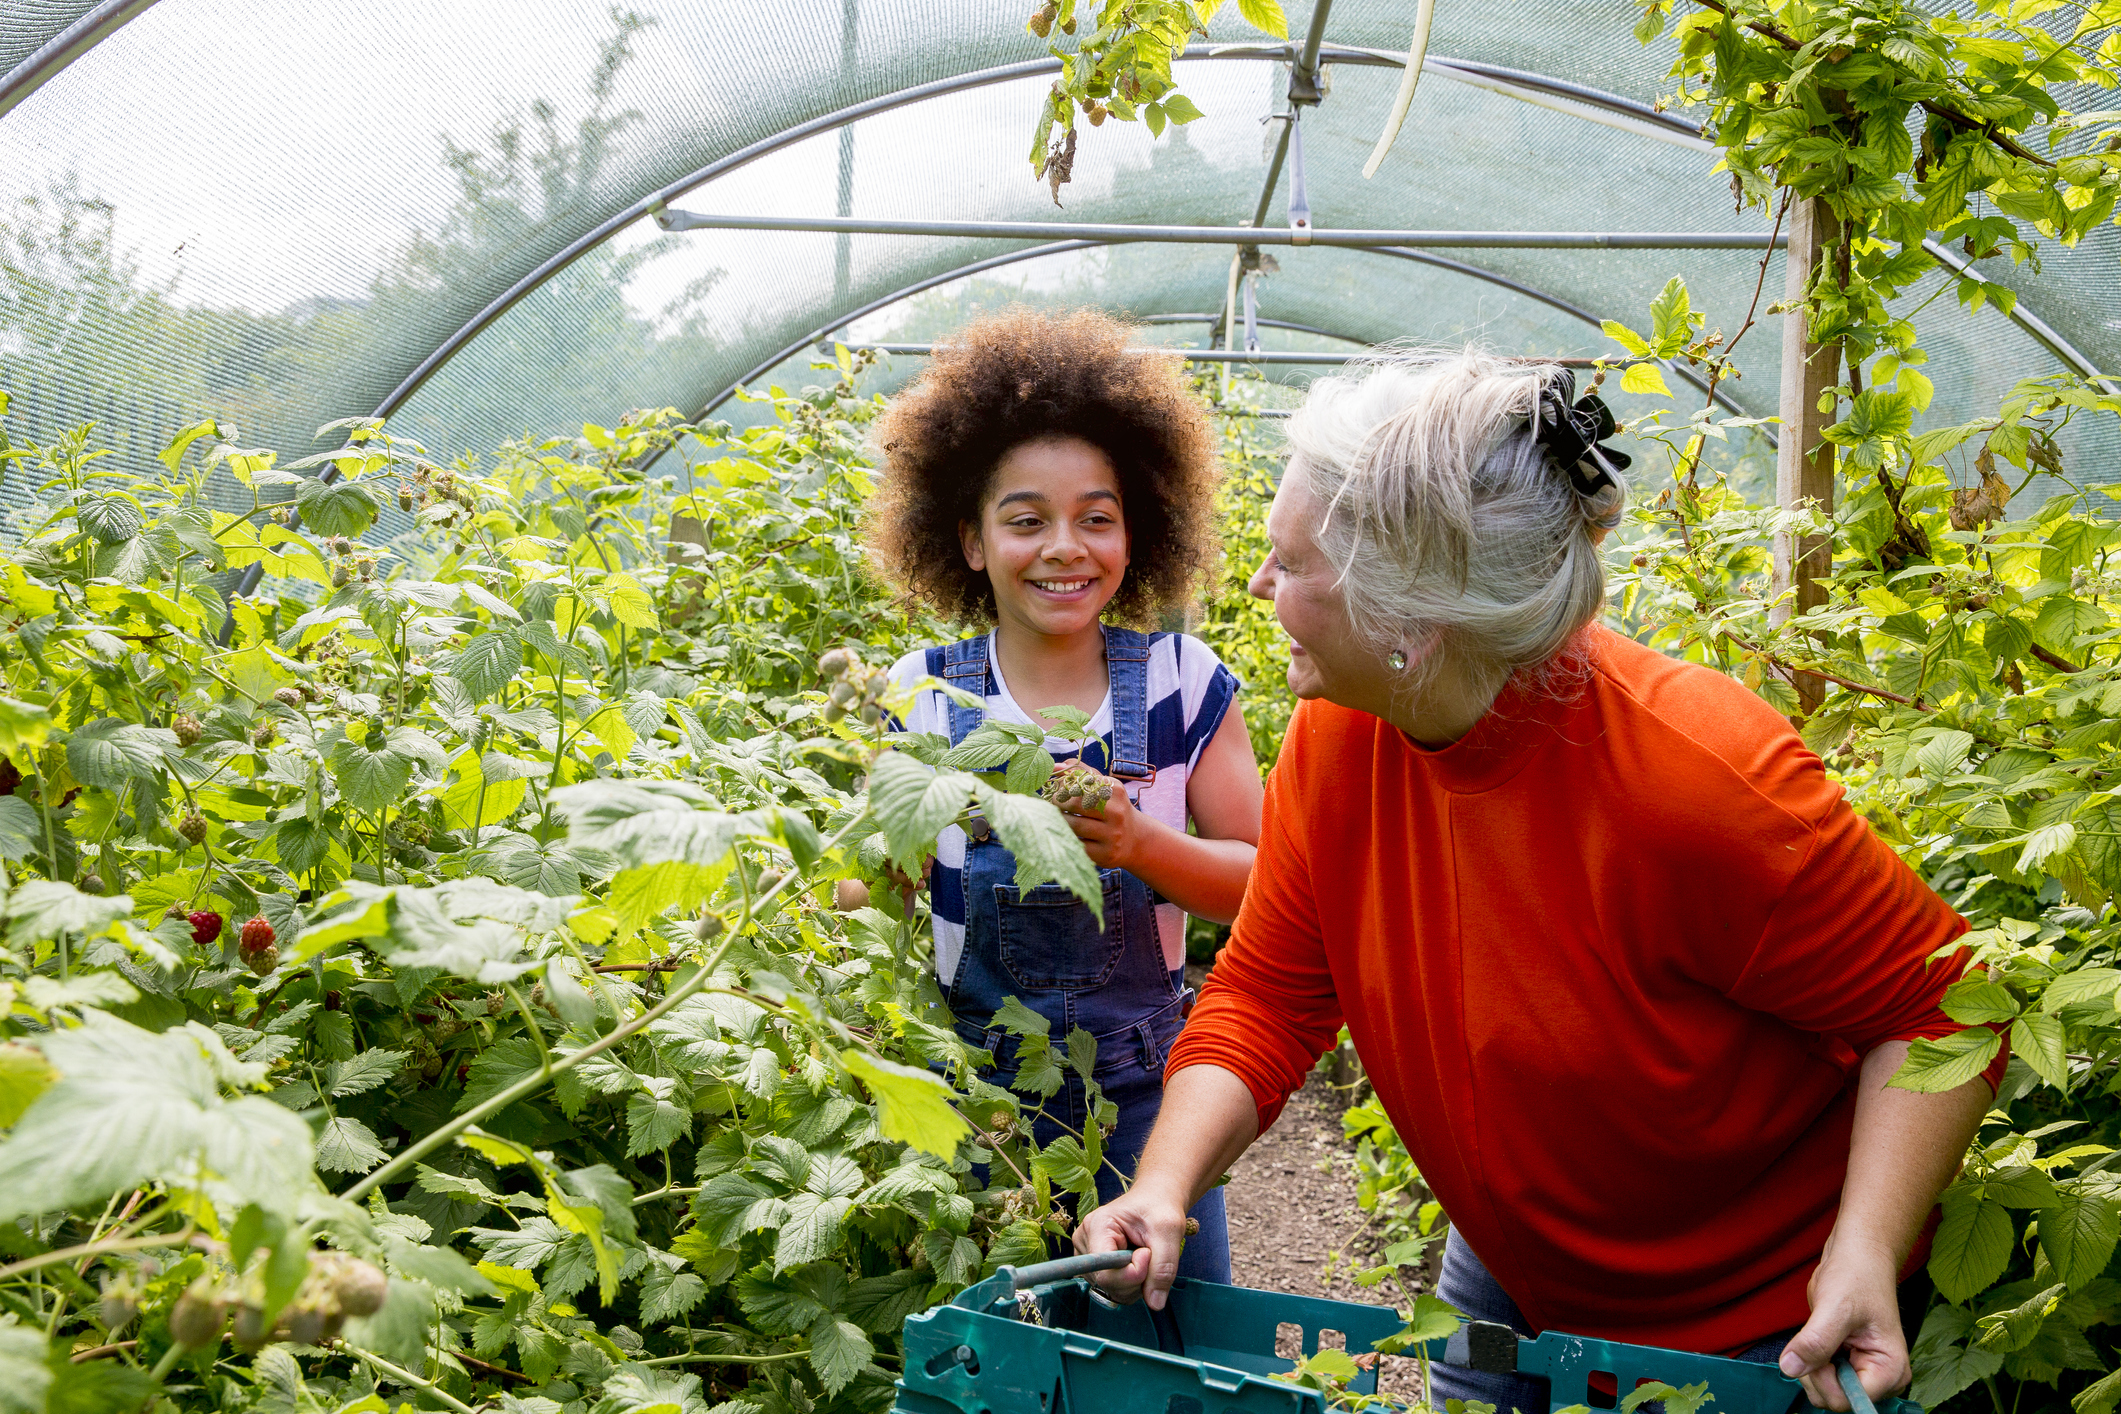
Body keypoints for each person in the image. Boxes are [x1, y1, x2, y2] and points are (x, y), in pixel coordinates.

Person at [1072, 351, 2004, 1412]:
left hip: (1751, 1326)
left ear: (1410, 627)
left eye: (1288, 565)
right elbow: (1270, 991)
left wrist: (1865, 1251)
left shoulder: (1701, 784)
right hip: (1513, 1278)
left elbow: (1944, 1010)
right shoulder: (1341, 740)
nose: (1258, 586)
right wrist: (1162, 1186)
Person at [867, 307, 1264, 1283]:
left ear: (1137, 530)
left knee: (1167, 1337)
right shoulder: (924, 696)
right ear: (968, 540)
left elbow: (1264, 885)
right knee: (1005, 1349)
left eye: (1096, 516)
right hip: (977, 1103)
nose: (1064, 547)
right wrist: (874, 875)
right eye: (1026, 519)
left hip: (1146, 1101)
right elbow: (869, 899)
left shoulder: (1184, 683)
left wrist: (1140, 845)